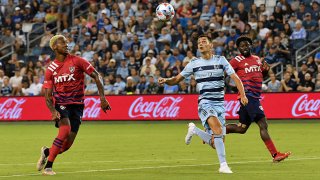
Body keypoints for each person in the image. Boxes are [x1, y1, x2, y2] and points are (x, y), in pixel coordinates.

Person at [158, 34, 248, 174]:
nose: (200, 44)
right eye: (199, 42)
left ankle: (195, 130)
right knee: (217, 129)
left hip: (220, 104)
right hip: (205, 103)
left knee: (216, 143)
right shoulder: (194, 63)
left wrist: (242, 94)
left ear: (211, 45)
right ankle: (223, 165)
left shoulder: (221, 60)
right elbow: (176, 79)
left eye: (204, 41)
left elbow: (235, 77)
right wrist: (166, 80)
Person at [37, 35, 111, 175]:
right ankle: (48, 167)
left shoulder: (77, 61)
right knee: (64, 131)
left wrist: (102, 98)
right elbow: (47, 94)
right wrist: (53, 110)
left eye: (66, 42)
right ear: (54, 47)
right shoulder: (51, 69)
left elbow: (96, 76)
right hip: (61, 104)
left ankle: (47, 151)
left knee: (66, 146)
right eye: (62, 43)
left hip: (77, 105)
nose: (66, 44)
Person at [226, 35, 291, 162]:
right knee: (263, 124)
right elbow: (227, 74)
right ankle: (275, 155)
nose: (244, 47)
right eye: (241, 46)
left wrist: (266, 71)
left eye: (246, 45)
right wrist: (235, 88)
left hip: (255, 96)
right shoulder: (235, 60)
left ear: (251, 46)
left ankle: (216, 131)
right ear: (238, 48)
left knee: (242, 128)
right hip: (248, 96)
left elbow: (260, 75)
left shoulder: (256, 59)